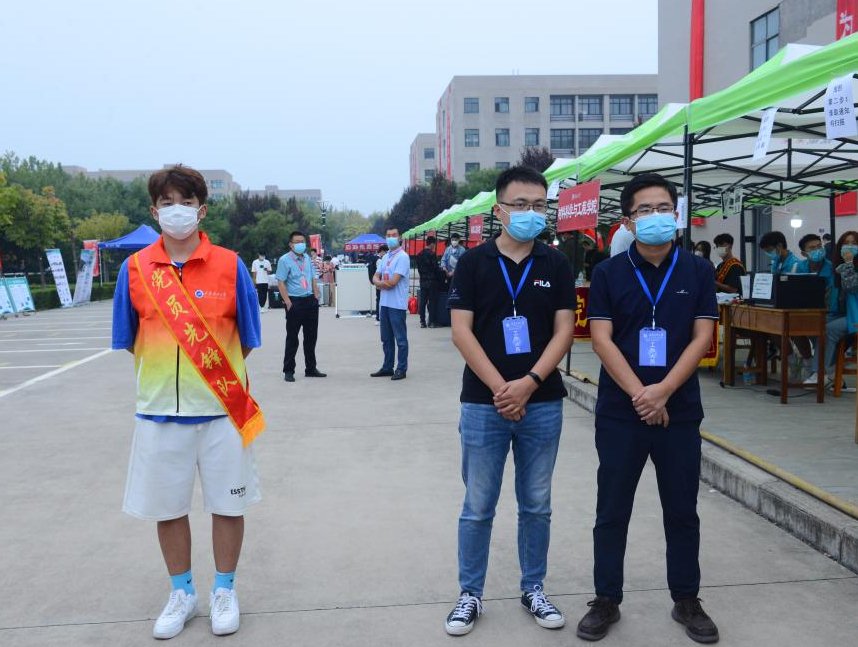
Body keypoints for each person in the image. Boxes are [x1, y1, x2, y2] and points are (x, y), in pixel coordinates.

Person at [111, 165, 264, 639]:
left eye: (186, 201)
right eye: (167, 202)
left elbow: (248, 338)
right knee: (168, 508)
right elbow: (128, 338)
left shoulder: (231, 265)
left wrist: (209, 378)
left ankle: (224, 590)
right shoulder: (134, 270)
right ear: (154, 210)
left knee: (228, 506)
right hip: (159, 413)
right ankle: (182, 593)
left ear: (202, 210)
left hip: (222, 412)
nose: (176, 210)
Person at [577, 172, 719, 644]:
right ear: (628, 221)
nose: (655, 216)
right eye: (644, 210)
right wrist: (643, 394)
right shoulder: (608, 273)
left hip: (679, 409)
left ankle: (686, 599)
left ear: (675, 214)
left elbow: (702, 336)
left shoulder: (698, 270)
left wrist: (663, 392)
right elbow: (601, 339)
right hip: (621, 411)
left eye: (663, 208)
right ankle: (606, 598)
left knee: (682, 510)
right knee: (611, 509)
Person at [444, 166, 575, 636]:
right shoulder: (473, 262)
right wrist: (504, 387)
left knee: (536, 503)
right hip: (484, 403)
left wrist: (530, 383)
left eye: (539, 205)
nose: (530, 213)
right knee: (478, 504)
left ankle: (533, 587)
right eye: (520, 204)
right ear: (499, 210)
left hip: (543, 401)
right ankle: (470, 594)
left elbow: (564, 331)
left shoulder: (555, 263)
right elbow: (461, 331)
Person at [804, 231, 858, 389]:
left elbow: (851, 287)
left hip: (855, 316)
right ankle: (831, 372)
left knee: (828, 330)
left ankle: (819, 373)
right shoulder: (839, 267)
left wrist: (849, 264)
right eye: (846, 243)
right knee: (814, 324)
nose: (849, 247)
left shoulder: (848, 266)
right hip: (845, 313)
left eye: (854, 243)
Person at [276, 231, 327, 382]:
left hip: (310, 301)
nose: (301, 244)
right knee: (292, 338)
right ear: (291, 244)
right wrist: (287, 302)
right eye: (297, 242)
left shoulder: (307, 258)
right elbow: (280, 282)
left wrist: (316, 294)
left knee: (311, 337)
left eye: (302, 241)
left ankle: (311, 368)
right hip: (295, 302)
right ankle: (288, 370)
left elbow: (312, 277)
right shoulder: (284, 260)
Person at [371, 228, 410, 380]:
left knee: (400, 339)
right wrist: (381, 283)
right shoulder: (386, 256)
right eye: (388, 236)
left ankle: (401, 368)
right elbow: (375, 276)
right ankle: (387, 367)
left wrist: (379, 284)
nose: (391, 238)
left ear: (399, 237)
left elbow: (393, 282)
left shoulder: (403, 257)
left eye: (394, 235)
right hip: (385, 304)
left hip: (397, 305)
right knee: (386, 338)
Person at [415, 235, 440, 328]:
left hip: (423, 281)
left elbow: (419, 268)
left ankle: (422, 322)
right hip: (432, 281)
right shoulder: (432, 254)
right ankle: (431, 322)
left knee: (423, 302)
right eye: (435, 244)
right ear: (432, 244)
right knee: (432, 302)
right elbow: (436, 268)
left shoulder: (419, 254)